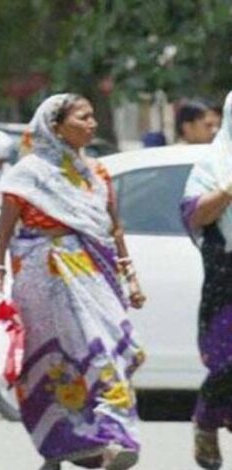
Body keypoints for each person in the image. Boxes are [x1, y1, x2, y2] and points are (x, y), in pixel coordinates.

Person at [0, 94, 146, 470]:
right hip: (41, 282)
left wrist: (131, 277)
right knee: (52, 363)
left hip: (93, 275)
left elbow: (114, 228)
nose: (92, 124)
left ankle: (112, 439)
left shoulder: (97, 172)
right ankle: (59, 447)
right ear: (55, 127)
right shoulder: (27, 174)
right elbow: (4, 231)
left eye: (93, 117)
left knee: (106, 350)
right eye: (83, 117)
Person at [181, 90, 232, 470]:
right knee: (228, 361)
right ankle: (207, 421)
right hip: (226, 279)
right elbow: (195, 216)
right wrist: (228, 189)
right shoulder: (214, 163)